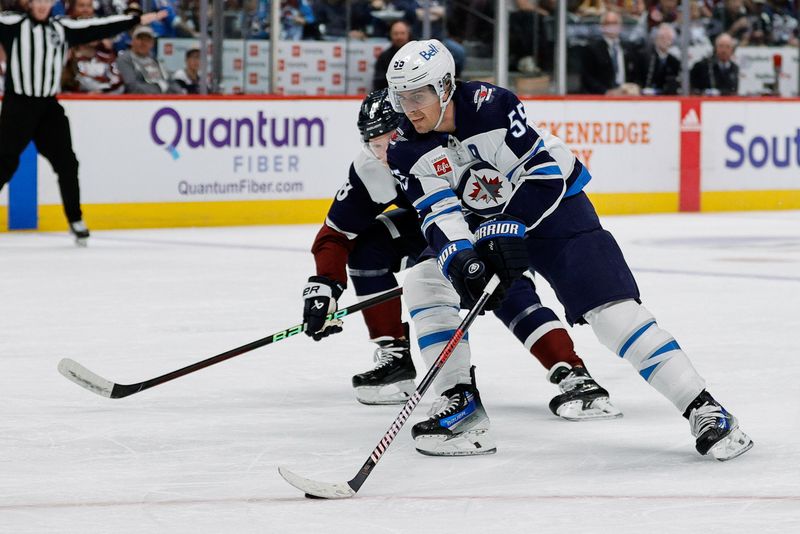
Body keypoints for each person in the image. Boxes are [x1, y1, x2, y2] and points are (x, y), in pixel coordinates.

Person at [385, 39, 754, 461]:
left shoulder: (490, 105)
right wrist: (462, 259)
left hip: (557, 209)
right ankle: (461, 404)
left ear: (446, 86)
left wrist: (507, 228)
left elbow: (543, 174)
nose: (410, 107)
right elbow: (437, 213)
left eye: (419, 95)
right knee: (425, 280)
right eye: (402, 97)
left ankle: (704, 407)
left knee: (614, 315)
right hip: (486, 224)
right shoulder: (404, 146)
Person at [302, 89, 621, 423]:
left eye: (389, 139)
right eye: (374, 144)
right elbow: (335, 234)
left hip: (470, 219)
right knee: (369, 249)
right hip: (425, 225)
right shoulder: (372, 167)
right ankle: (395, 356)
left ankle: (571, 371)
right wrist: (324, 284)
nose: (383, 153)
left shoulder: (440, 148)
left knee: (499, 285)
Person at [0, 1, 166, 245]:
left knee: (67, 163)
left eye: (47, 1)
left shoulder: (62, 28)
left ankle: (75, 219)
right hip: (18, 107)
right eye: (38, 0)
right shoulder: (12, 24)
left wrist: (135, 20)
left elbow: (99, 26)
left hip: (48, 107)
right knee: (4, 163)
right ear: (29, 3)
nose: (43, 5)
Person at [580, 10, 639, 95]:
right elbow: (587, 78)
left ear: (620, 26)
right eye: (608, 23)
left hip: (627, 96)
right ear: (602, 26)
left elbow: (635, 73)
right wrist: (606, 92)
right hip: (602, 98)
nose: (611, 26)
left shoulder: (629, 48)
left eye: (614, 23)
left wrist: (633, 87)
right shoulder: (592, 49)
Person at [117, 25, 181, 94]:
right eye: (140, 39)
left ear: (152, 43)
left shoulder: (155, 59)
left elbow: (170, 81)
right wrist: (159, 88)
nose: (143, 43)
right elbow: (132, 87)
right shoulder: (125, 59)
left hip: (162, 100)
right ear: (132, 41)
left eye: (147, 40)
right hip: (138, 102)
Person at [635, 23, 681, 95]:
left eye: (668, 38)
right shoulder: (644, 56)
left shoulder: (674, 62)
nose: (665, 41)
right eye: (662, 37)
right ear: (656, 38)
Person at [372, 19, 412, 91]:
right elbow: (379, 82)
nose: (399, 37)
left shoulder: (416, 53)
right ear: (390, 35)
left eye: (402, 33)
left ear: (408, 34)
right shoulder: (384, 57)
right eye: (396, 34)